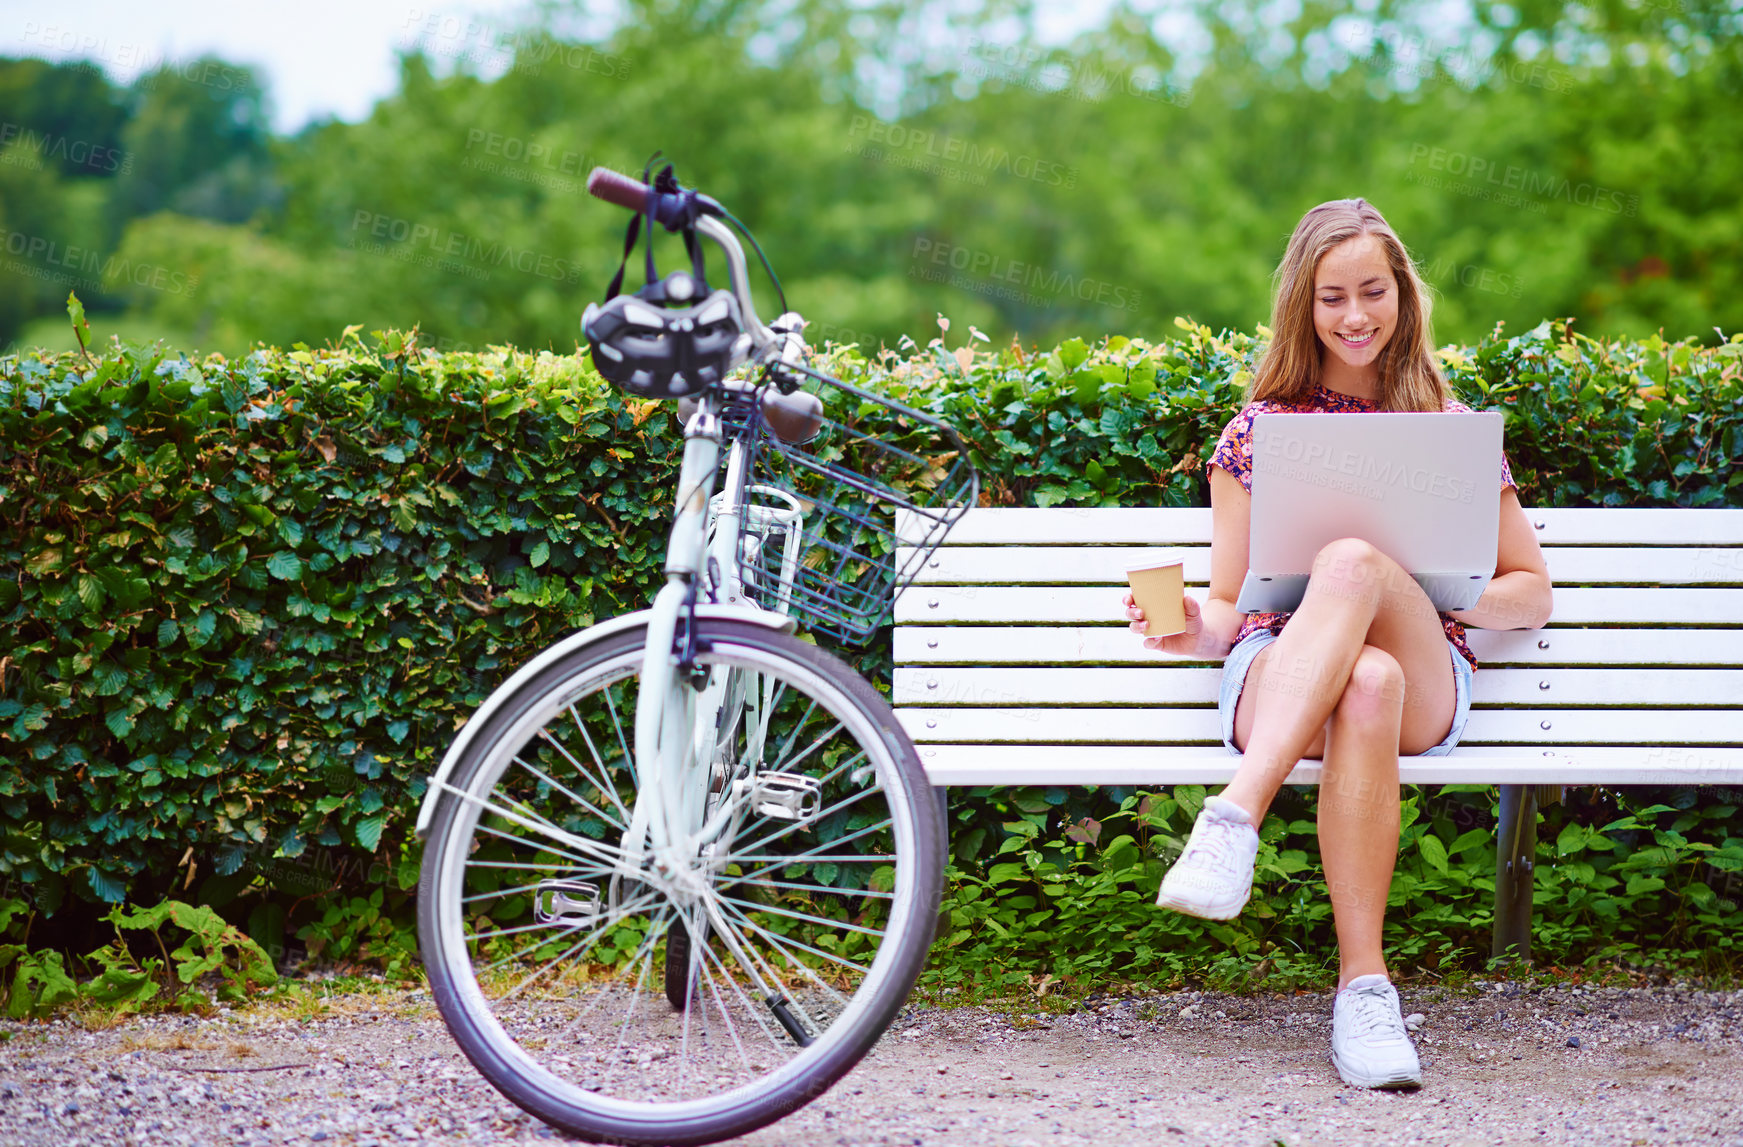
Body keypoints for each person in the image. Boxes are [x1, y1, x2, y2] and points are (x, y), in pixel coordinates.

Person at [1122, 198, 1553, 1090]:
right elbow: (1229, 605)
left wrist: (1441, 595)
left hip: (1428, 676)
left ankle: (1233, 816)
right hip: (1282, 671)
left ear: (1402, 294)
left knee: (1354, 566)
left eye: (1371, 292)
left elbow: (1530, 592)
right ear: (1301, 306)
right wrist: (1180, 626)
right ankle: (1365, 993)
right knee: (1364, 677)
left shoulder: (1446, 424)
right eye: (1331, 298)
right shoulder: (1255, 432)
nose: (1354, 316)